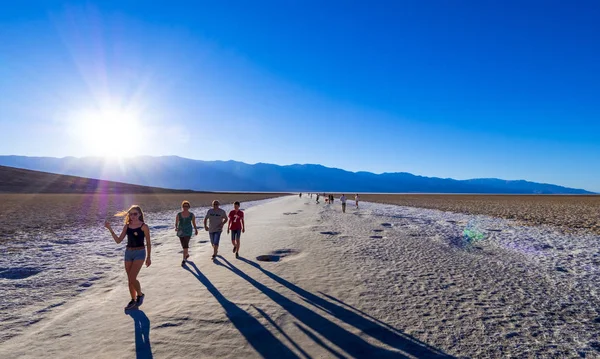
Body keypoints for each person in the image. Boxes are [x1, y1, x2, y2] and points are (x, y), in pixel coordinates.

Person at [105, 205, 151, 311]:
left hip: (140, 253)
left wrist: (148, 257)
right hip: (128, 253)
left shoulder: (144, 226)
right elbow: (118, 240)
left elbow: (148, 243)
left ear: (139, 214)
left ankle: (140, 295)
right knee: (129, 280)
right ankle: (133, 300)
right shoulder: (127, 226)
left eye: (135, 214)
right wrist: (110, 229)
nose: (133, 216)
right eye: (131, 214)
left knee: (132, 277)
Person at [175, 200, 198, 266]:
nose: (185, 207)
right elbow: (176, 222)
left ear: (189, 207)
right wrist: (176, 227)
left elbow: (194, 223)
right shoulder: (179, 214)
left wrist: (196, 229)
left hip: (188, 231)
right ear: (182, 206)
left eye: (187, 206)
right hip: (181, 231)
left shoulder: (191, 215)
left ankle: (184, 259)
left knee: (185, 244)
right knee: (183, 245)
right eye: (184, 206)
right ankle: (186, 254)